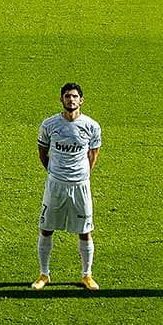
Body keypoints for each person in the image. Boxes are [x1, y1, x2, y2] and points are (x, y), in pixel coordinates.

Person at [32, 82, 102, 290]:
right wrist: (55, 172)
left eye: (74, 97)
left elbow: (93, 154)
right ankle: (44, 274)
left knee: (85, 231)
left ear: (81, 100)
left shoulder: (91, 126)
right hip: (55, 185)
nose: (71, 100)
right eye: (67, 96)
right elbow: (42, 153)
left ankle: (87, 275)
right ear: (61, 99)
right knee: (46, 229)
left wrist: (81, 174)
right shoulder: (49, 125)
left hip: (80, 185)